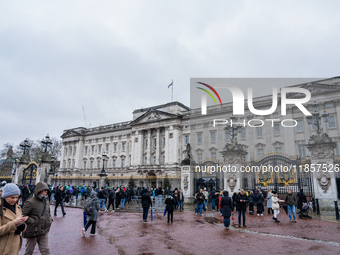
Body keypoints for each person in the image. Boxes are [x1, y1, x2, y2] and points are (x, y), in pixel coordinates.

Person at [22, 182, 53, 255]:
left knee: (46, 251)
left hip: (44, 231)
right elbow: (22, 215)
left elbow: (48, 213)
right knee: (29, 252)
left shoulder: (46, 201)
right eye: (44, 190)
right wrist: (33, 221)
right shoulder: (30, 202)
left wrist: (49, 220)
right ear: (39, 190)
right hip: (33, 230)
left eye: (47, 191)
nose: (46, 192)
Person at [0, 183, 28, 255]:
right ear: (5, 197)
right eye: (12, 197)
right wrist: (14, 223)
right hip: (3, 246)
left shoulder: (18, 208)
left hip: (15, 244)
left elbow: (20, 224)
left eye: (16, 197)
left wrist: (23, 226)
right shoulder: (1, 209)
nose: (15, 200)